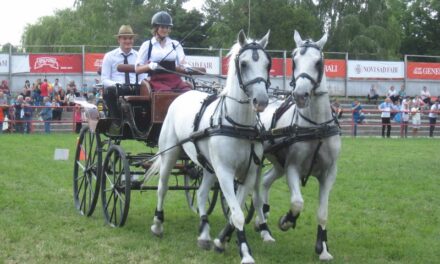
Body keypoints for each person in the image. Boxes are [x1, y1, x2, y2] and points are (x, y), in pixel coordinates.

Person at [135, 11, 192, 91]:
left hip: (174, 79)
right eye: (162, 27)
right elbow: (137, 69)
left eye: (167, 27)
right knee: (166, 93)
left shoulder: (175, 44)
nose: (165, 30)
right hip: (156, 80)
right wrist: (149, 66)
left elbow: (182, 62)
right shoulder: (147, 45)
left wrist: (186, 66)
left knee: (188, 91)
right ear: (156, 28)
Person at [101, 24, 144, 119]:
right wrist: (118, 84)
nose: (128, 41)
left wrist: (139, 85)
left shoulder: (139, 57)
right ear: (119, 40)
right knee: (109, 91)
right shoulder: (109, 56)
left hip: (135, 88)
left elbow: (143, 78)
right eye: (124, 38)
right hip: (118, 89)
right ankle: (116, 120)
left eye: (130, 38)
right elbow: (104, 79)